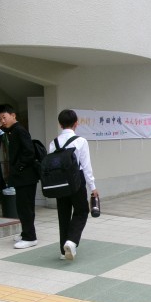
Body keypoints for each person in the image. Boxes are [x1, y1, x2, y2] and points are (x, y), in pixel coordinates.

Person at [49, 109, 99, 260]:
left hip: (59, 182)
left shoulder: (53, 143)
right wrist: (93, 187)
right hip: (77, 180)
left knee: (63, 214)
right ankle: (71, 241)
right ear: (76, 123)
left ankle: (63, 251)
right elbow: (86, 166)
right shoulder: (80, 141)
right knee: (82, 211)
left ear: (60, 124)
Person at [0, 103, 39, 249]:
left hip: (26, 176)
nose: (2, 121)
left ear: (13, 115)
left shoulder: (19, 130)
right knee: (23, 206)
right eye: (0, 119)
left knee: (25, 207)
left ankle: (30, 237)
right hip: (22, 176)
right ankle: (25, 233)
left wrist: (18, 168)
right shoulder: (11, 131)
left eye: (4, 117)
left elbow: (29, 153)